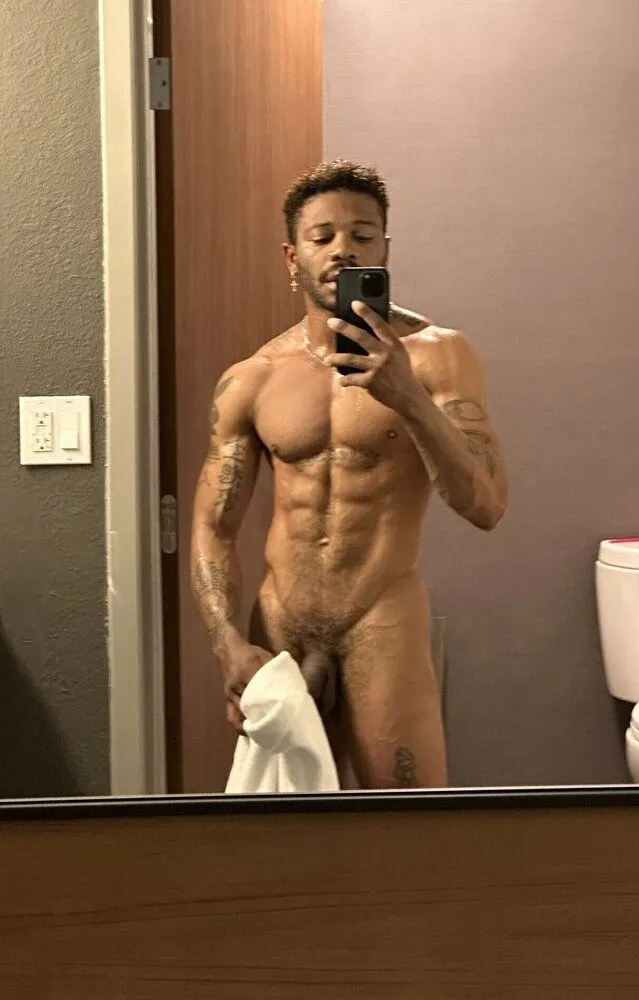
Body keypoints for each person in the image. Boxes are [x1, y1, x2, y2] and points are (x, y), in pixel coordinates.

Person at [190, 159, 508, 790]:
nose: (344, 249)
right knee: (284, 831)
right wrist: (227, 642)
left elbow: (487, 504)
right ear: (293, 257)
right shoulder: (254, 377)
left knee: (406, 827)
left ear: (385, 248)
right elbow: (212, 525)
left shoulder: (438, 356)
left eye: (362, 235)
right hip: (279, 622)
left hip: (380, 620)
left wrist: (407, 397)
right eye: (323, 236)